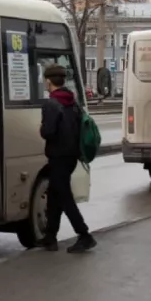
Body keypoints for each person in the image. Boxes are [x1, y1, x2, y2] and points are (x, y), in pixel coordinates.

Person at [38, 64, 96, 253]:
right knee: (54, 195)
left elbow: (48, 132)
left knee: (64, 196)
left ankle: (84, 235)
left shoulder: (52, 104)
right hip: (72, 156)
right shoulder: (72, 101)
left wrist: (41, 127)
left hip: (58, 156)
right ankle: (50, 237)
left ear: (48, 81)